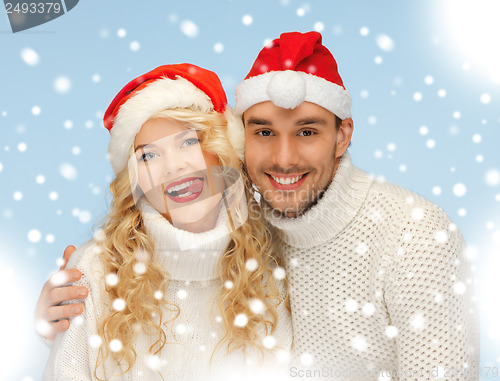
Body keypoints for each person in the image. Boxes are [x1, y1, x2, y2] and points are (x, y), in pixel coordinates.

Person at [38, 32, 480, 379]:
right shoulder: (250, 226)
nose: (284, 159)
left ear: (342, 135)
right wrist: (52, 317)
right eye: (264, 132)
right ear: (239, 142)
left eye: (307, 131)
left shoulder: (412, 233)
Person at [41, 63, 292, 380]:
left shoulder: (271, 270)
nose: (173, 167)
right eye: (148, 155)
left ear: (222, 151)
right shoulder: (96, 269)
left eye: (189, 142)